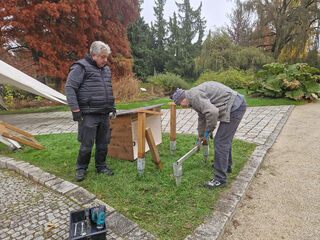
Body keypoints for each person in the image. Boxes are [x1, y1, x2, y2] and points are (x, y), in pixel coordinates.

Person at [170, 81, 246, 188]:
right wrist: (201, 136)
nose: (181, 107)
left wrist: (209, 130)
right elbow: (202, 117)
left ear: (183, 99)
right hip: (235, 104)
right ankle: (226, 166)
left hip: (235, 107)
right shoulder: (192, 97)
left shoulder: (194, 96)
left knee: (220, 141)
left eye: (180, 104)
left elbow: (212, 112)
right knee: (224, 140)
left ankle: (220, 179)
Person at [65, 41, 116, 182]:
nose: (106, 60)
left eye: (107, 57)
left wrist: (113, 106)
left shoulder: (105, 69)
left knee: (103, 143)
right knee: (86, 145)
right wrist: (75, 109)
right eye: (103, 57)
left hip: (104, 113)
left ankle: (101, 166)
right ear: (94, 55)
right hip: (88, 114)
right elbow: (70, 88)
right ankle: (81, 168)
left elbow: (108, 89)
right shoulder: (80, 67)